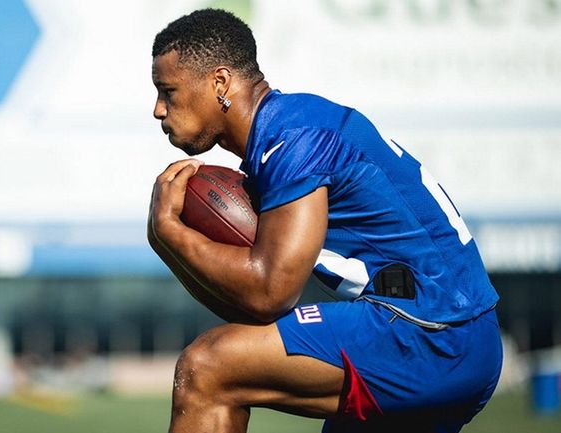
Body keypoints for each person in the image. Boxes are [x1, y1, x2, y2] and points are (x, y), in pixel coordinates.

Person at [147, 8, 503, 433]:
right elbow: (250, 308)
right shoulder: (290, 130)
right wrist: (169, 246)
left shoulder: (294, 138)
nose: (158, 109)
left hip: (432, 333)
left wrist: (170, 233)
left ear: (220, 83)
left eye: (167, 91)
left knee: (207, 368)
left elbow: (268, 293)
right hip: (452, 333)